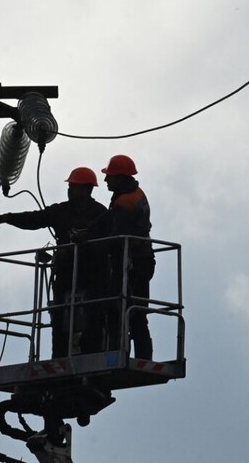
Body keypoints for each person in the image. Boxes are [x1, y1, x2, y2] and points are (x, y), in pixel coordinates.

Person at [0, 167, 107, 357]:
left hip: (91, 272)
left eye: (73, 187)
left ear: (87, 189)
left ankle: (90, 353)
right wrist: (7, 218)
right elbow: (35, 219)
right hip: (65, 271)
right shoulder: (62, 211)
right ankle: (59, 356)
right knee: (60, 315)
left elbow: (108, 236)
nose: (69, 190)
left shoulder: (100, 214)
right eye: (69, 187)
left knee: (92, 314)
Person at [100, 154, 155, 360]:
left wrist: (94, 247)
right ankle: (143, 357)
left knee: (117, 308)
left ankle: (116, 352)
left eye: (110, 176)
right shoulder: (136, 194)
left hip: (131, 264)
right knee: (137, 311)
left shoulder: (125, 202)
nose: (106, 180)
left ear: (121, 178)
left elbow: (116, 236)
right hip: (142, 259)